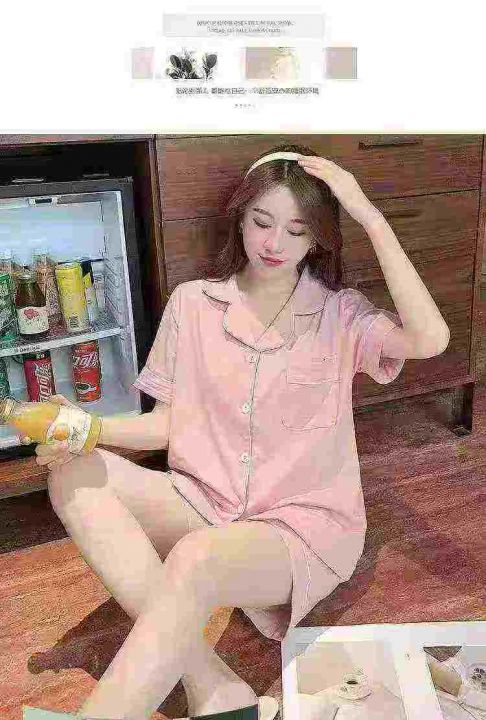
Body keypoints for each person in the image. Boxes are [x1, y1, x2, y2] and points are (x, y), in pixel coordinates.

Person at [32, 143, 450, 720]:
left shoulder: (342, 317)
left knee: (197, 558)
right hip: (206, 499)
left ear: (317, 239)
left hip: (300, 525)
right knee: (71, 473)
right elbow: (167, 426)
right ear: (241, 216)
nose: (275, 243)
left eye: (297, 231)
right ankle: (215, 687)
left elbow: (430, 340)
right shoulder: (192, 305)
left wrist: (368, 214)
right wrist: (88, 428)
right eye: (262, 222)